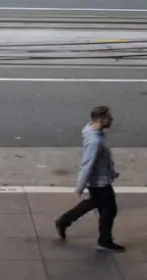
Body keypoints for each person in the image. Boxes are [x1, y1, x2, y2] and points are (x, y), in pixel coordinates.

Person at [54, 105, 125, 252]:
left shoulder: (91, 130)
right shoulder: (95, 141)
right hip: (99, 182)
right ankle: (104, 241)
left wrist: (110, 172)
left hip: (100, 178)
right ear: (100, 119)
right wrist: (79, 187)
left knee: (94, 203)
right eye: (108, 117)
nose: (111, 119)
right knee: (109, 211)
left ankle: (64, 221)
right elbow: (87, 164)